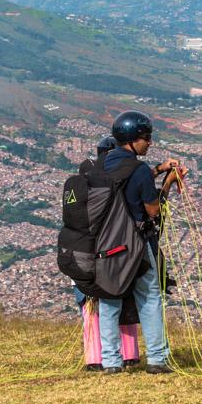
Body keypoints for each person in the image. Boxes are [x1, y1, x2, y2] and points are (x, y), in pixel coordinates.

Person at [98, 110, 187, 374]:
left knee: (109, 300)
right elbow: (153, 211)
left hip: (105, 243)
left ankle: (111, 361)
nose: (150, 142)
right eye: (146, 138)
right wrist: (168, 183)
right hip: (136, 244)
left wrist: (157, 170)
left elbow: (127, 180)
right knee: (149, 297)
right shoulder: (139, 171)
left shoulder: (102, 164)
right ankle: (157, 358)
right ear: (133, 139)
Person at [75, 133, 141, 371]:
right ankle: (129, 354)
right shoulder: (124, 181)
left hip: (86, 250)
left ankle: (95, 357)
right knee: (122, 299)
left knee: (91, 303)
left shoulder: (87, 182)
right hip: (118, 251)